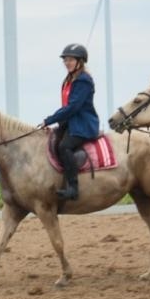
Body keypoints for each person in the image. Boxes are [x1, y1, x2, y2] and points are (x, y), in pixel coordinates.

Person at [41, 43, 99, 201]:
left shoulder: (83, 81)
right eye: (65, 60)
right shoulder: (69, 80)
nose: (67, 63)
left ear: (80, 61)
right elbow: (66, 107)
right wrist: (55, 125)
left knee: (64, 146)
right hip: (69, 124)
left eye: (71, 59)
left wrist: (50, 119)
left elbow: (73, 107)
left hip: (83, 126)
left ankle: (73, 188)